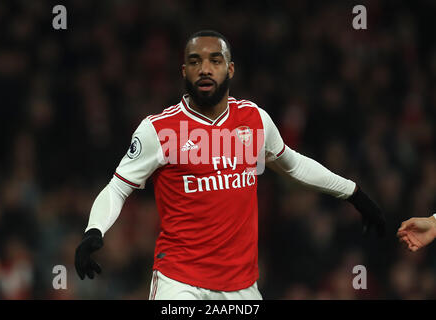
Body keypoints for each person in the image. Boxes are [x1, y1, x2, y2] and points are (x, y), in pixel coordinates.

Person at [74, 30, 386, 300]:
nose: (205, 69)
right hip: (180, 282)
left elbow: (293, 165)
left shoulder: (254, 120)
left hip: (241, 287)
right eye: (195, 61)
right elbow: (117, 188)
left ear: (231, 69)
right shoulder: (159, 130)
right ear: (184, 71)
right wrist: (93, 231)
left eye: (215, 60)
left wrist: (353, 193)